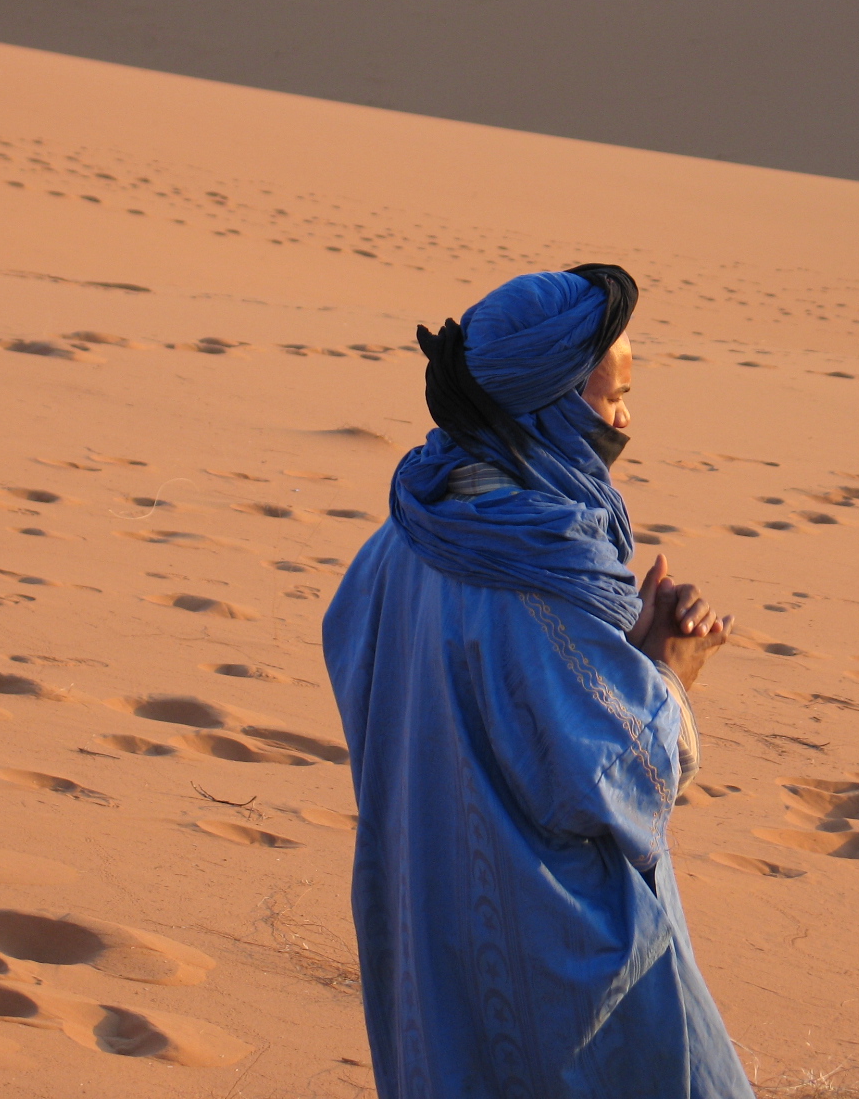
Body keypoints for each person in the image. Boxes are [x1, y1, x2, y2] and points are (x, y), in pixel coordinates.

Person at [323, 265, 755, 1099]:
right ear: (546, 402)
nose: (627, 418)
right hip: (557, 963)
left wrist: (613, 653)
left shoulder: (400, 538)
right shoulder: (538, 579)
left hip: (421, 911)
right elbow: (612, 784)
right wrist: (667, 676)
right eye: (611, 396)